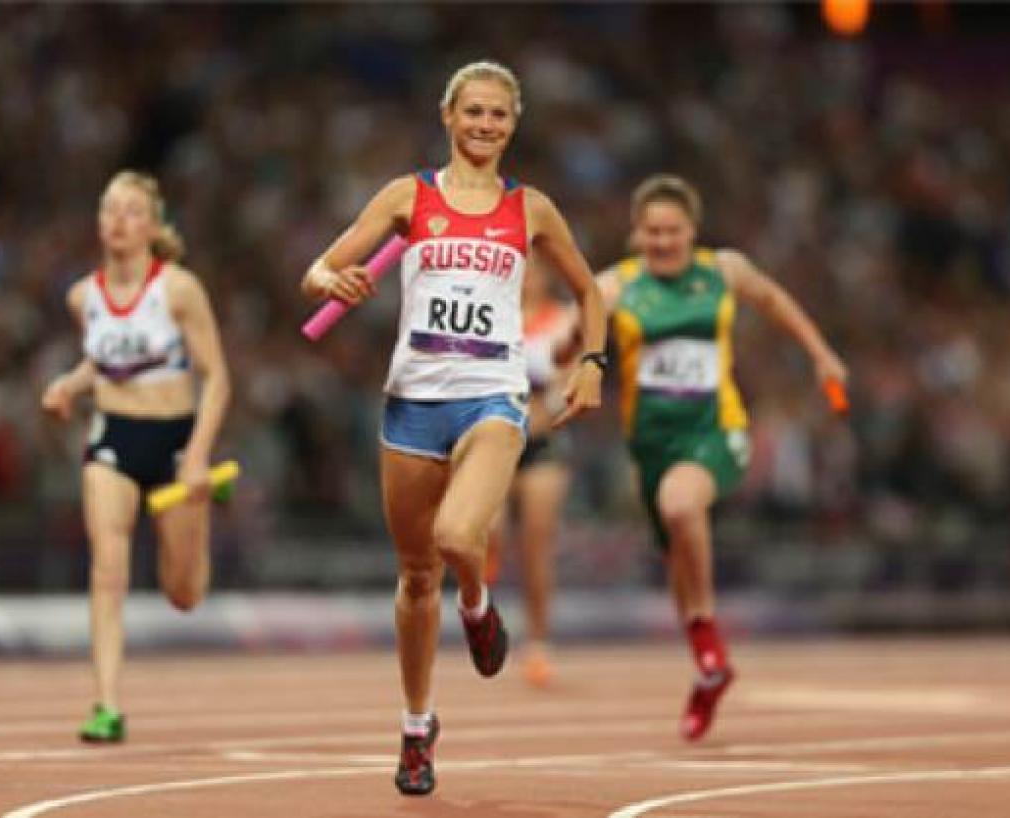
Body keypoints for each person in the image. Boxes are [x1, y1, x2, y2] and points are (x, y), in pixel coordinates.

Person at [300, 61, 606, 796]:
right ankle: (416, 729)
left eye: (498, 114)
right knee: (413, 579)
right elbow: (319, 268)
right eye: (473, 111)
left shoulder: (530, 209)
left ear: (514, 123)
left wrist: (592, 362)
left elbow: (589, 290)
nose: (485, 125)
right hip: (412, 404)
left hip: (492, 399)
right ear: (447, 114)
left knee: (458, 538)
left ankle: (475, 605)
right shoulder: (411, 195)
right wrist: (330, 281)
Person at [594, 174, 847, 741]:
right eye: (653, 232)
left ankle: (708, 638)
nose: (663, 242)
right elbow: (573, 330)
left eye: (673, 231)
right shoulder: (616, 286)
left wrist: (821, 354)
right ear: (637, 233)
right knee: (677, 554)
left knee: (682, 505)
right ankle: (709, 669)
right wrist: (570, 359)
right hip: (651, 442)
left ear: (692, 230)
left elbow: (775, 300)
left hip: (718, 430)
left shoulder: (724, 270)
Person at [41, 170, 231, 743]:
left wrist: (197, 456)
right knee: (108, 569)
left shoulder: (177, 289)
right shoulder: (84, 296)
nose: (118, 220)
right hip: (114, 439)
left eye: (130, 210)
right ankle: (106, 704)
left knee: (183, 592)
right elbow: (105, 360)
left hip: (175, 444)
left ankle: (203, 512)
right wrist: (69, 387)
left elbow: (217, 376)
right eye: (109, 210)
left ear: (152, 225)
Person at [485, 259, 574, 689]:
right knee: (488, 534)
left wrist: (551, 409)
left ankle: (538, 642)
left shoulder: (562, 320)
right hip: (493, 443)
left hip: (541, 444)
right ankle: (484, 618)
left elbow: (570, 381)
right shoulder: (489, 316)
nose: (526, 277)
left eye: (533, 269)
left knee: (536, 545)